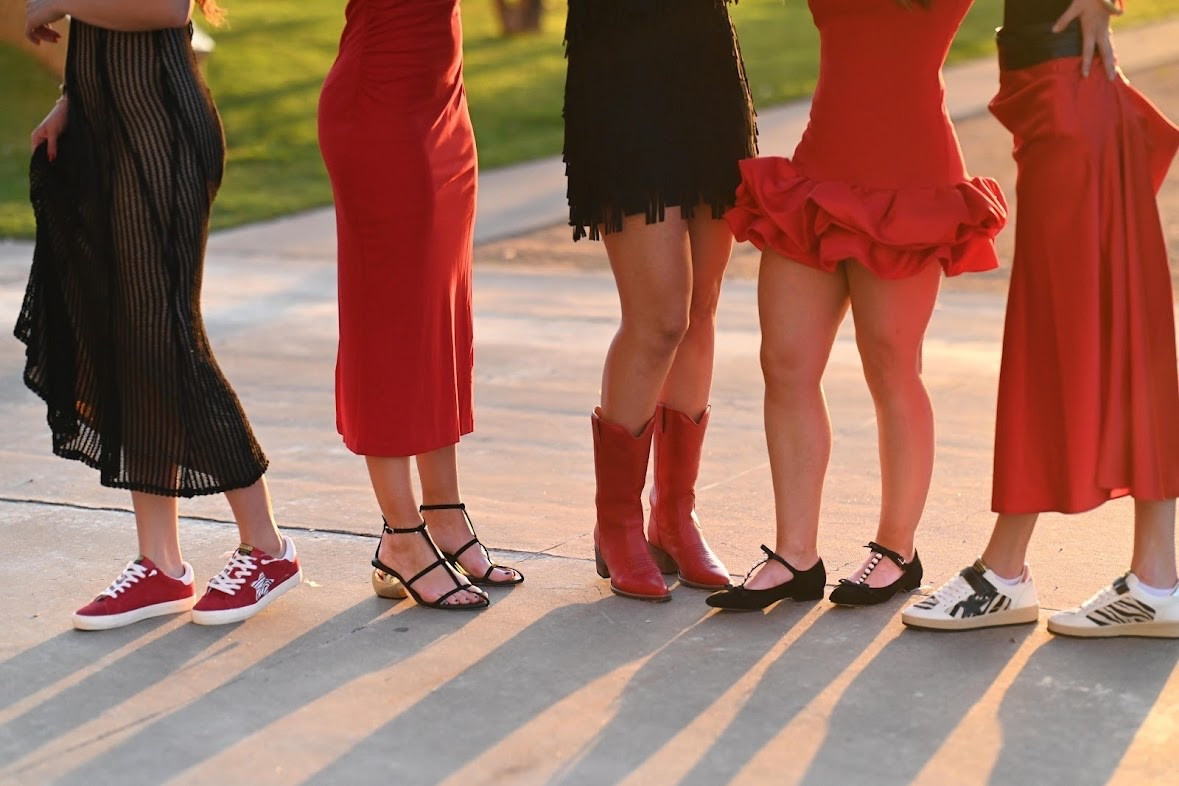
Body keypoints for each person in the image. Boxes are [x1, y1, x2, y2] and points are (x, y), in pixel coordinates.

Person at [707, 0, 1007, 612]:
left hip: (911, 181)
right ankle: (795, 556)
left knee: (891, 365)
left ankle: (897, 550)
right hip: (819, 176)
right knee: (785, 362)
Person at [18, 0, 301, 630]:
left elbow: (165, 9)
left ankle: (268, 549)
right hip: (105, 128)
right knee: (127, 343)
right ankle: (161, 565)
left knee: (165, 338)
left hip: (160, 133)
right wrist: (72, 97)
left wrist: (60, 0)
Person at [904, 0, 1179, 637]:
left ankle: (1007, 574)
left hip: (1068, 99)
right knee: (1116, 326)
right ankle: (1155, 578)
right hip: (1062, 95)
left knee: (1060, 335)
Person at [318, 0, 521, 611]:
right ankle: (402, 537)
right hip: (381, 105)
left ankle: (444, 514)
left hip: (443, 104)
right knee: (389, 324)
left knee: (439, 316)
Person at [563, 0, 758, 601]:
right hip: (622, 72)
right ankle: (617, 523)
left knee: (701, 309)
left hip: (706, 65)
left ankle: (674, 516)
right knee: (660, 318)